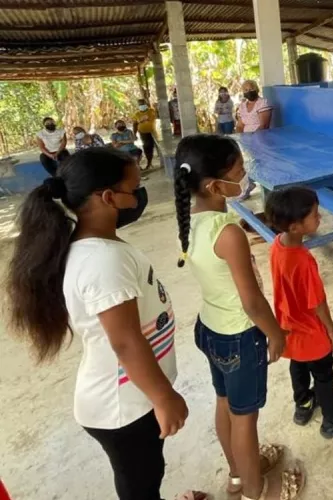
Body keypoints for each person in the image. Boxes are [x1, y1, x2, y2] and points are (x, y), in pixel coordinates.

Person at [4, 148, 206, 500]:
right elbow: (125, 341)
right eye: (134, 187)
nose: (139, 194)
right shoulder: (102, 261)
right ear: (109, 197)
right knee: (141, 483)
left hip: (129, 396)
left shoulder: (98, 246)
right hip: (123, 406)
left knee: (147, 473)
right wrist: (163, 397)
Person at [173, 134, 304, 500]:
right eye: (240, 171)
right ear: (215, 185)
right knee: (245, 419)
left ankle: (237, 475)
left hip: (210, 328)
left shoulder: (191, 220)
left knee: (224, 403)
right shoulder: (228, 233)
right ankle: (254, 491)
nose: (245, 176)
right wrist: (275, 333)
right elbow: (252, 302)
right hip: (239, 336)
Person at [265, 187, 333, 438]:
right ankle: (332, 419)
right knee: (323, 375)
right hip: (311, 331)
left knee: (298, 366)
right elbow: (317, 302)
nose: (320, 218)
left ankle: (304, 405)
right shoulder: (304, 260)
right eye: (315, 215)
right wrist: (331, 328)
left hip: (289, 327)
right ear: (296, 226)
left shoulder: (276, 246)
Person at [132, 98, 157, 170]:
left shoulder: (151, 110)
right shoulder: (137, 114)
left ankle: (153, 161)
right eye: (140, 104)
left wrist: (143, 119)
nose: (141, 105)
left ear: (146, 104)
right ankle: (149, 163)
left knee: (155, 146)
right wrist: (134, 134)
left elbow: (152, 118)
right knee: (147, 147)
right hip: (143, 133)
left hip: (153, 131)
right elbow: (135, 124)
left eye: (143, 104)